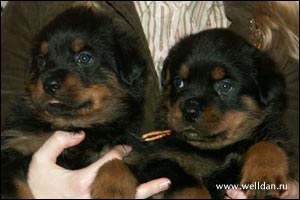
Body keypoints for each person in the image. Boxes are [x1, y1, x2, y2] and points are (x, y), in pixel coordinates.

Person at [1, 1, 298, 199]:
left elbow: (287, 144)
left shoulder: (279, 12)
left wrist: (284, 189)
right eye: (178, 83)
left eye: (84, 58)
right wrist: (36, 188)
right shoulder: (35, 6)